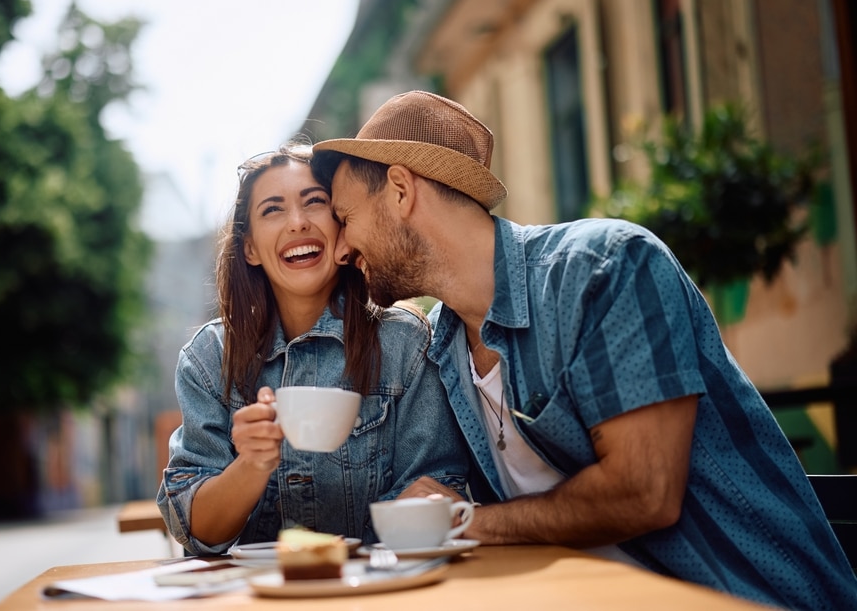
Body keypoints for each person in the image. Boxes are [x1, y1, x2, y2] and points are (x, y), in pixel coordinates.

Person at [311, 90, 857, 610]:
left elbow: (644, 493)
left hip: (746, 597)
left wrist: (469, 521)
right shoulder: (444, 346)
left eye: (345, 218)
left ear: (402, 191)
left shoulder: (607, 268)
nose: (337, 248)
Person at [156, 141, 470, 555]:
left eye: (315, 202)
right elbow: (196, 531)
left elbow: (436, 488)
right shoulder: (209, 358)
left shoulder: (404, 342)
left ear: (342, 223)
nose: (298, 223)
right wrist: (251, 464)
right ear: (249, 247)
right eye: (273, 209)